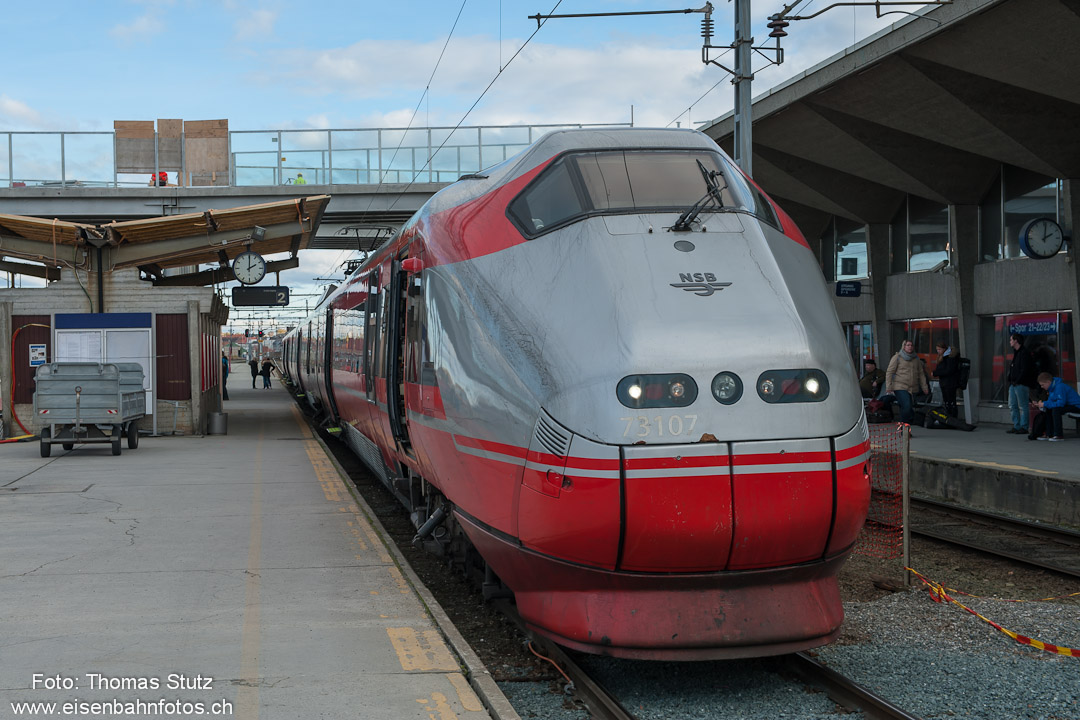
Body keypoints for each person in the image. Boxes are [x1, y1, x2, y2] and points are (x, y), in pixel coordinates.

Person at [885, 339, 929, 425]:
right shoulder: (897, 357)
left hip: (912, 388)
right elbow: (890, 372)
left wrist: (924, 387)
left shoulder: (916, 359)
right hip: (900, 386)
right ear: (904, 346)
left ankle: (904, 428)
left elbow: (921, 374)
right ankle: (905, 426)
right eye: (908, 345)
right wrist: (889, 386)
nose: (910, 347)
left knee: (905, 407)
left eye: (911, 345)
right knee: (907, 406)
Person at [1034, 372, 1080, 442]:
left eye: (1042, 385)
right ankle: (1050, 433)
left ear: (1048, 382)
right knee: (1049, 409)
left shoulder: (1059, 387)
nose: (1041, 387)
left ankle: (1058, 434)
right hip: (1068, 405)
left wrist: (1045, 404)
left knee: (1056, 410)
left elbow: (1060, 403)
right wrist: (1043, 404)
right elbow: (1051, 402)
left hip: (1076, 406)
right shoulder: (1051, 388)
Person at [1006, 333, 1037, 434]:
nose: (1010, 341)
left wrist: (1017, 380)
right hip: (1014, 383)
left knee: (1023, 406)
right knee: (1012, 405)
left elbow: (1025, 370)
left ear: (1016, 341)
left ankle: (1024, 426)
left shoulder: (1024, 353)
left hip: (1020, 384)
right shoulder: (1017, 352)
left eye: (1011, 340)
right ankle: (1017, 425)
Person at [932, 342, 960, 417]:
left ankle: (952, 416)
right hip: (945, 382)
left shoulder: (950, 357)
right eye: (937, 349)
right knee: (947, 401)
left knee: (950, 400)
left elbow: (948, 370)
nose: (938, 351)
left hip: (950, 382)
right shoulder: (943, 357)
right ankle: (949, 416)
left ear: (944, 349)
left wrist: (935, 373)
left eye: (939, 349)